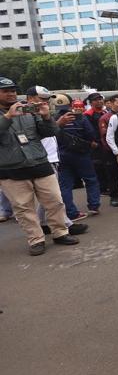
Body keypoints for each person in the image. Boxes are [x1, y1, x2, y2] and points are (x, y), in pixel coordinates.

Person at [0, 77, 82, 255]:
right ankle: (36, 239)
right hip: (11, 169)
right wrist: (8, 117)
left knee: (55, 201)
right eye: (6, 91)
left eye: (13, 90)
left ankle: (60, 233)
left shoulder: (28, 109)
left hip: (40, 163)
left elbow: (50, 132)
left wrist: (45, 116)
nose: (11, 94)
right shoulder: (10, 113)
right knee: (24, 208)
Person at [55, 99, 101, 220]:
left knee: (65, 185)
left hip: (61, 155)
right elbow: (91, 134)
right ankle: (94, 206)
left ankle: (71, 212)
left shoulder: (53, 119)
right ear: (70, 105)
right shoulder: (80, 118)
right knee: (90, 179)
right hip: (81, 154)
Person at [99, 95, 118, 207]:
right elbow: (105, 138)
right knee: (114, 175)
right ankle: (114, 197)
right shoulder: (105, 118)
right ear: (111, 103)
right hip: (111, 152)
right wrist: (114, 150)